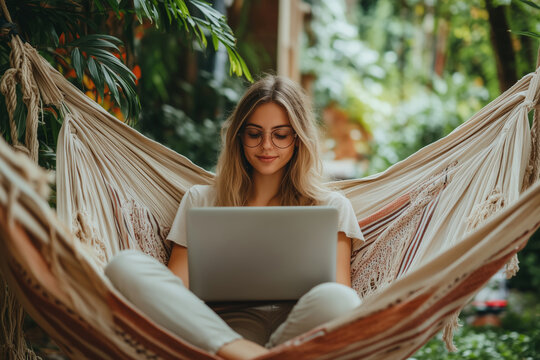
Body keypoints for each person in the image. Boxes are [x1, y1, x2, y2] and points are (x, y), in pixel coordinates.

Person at [105, 75, 364, 360]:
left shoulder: (331, 207)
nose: (266, 146)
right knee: (124, 265)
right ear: (239, 136)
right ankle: (247, 353)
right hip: (220, 327)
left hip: (301, 326)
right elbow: (177, 289)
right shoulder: (201, 200)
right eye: (254, 134)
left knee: (341, 300)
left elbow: (340, 295)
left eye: (280, 135)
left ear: (298, 139)